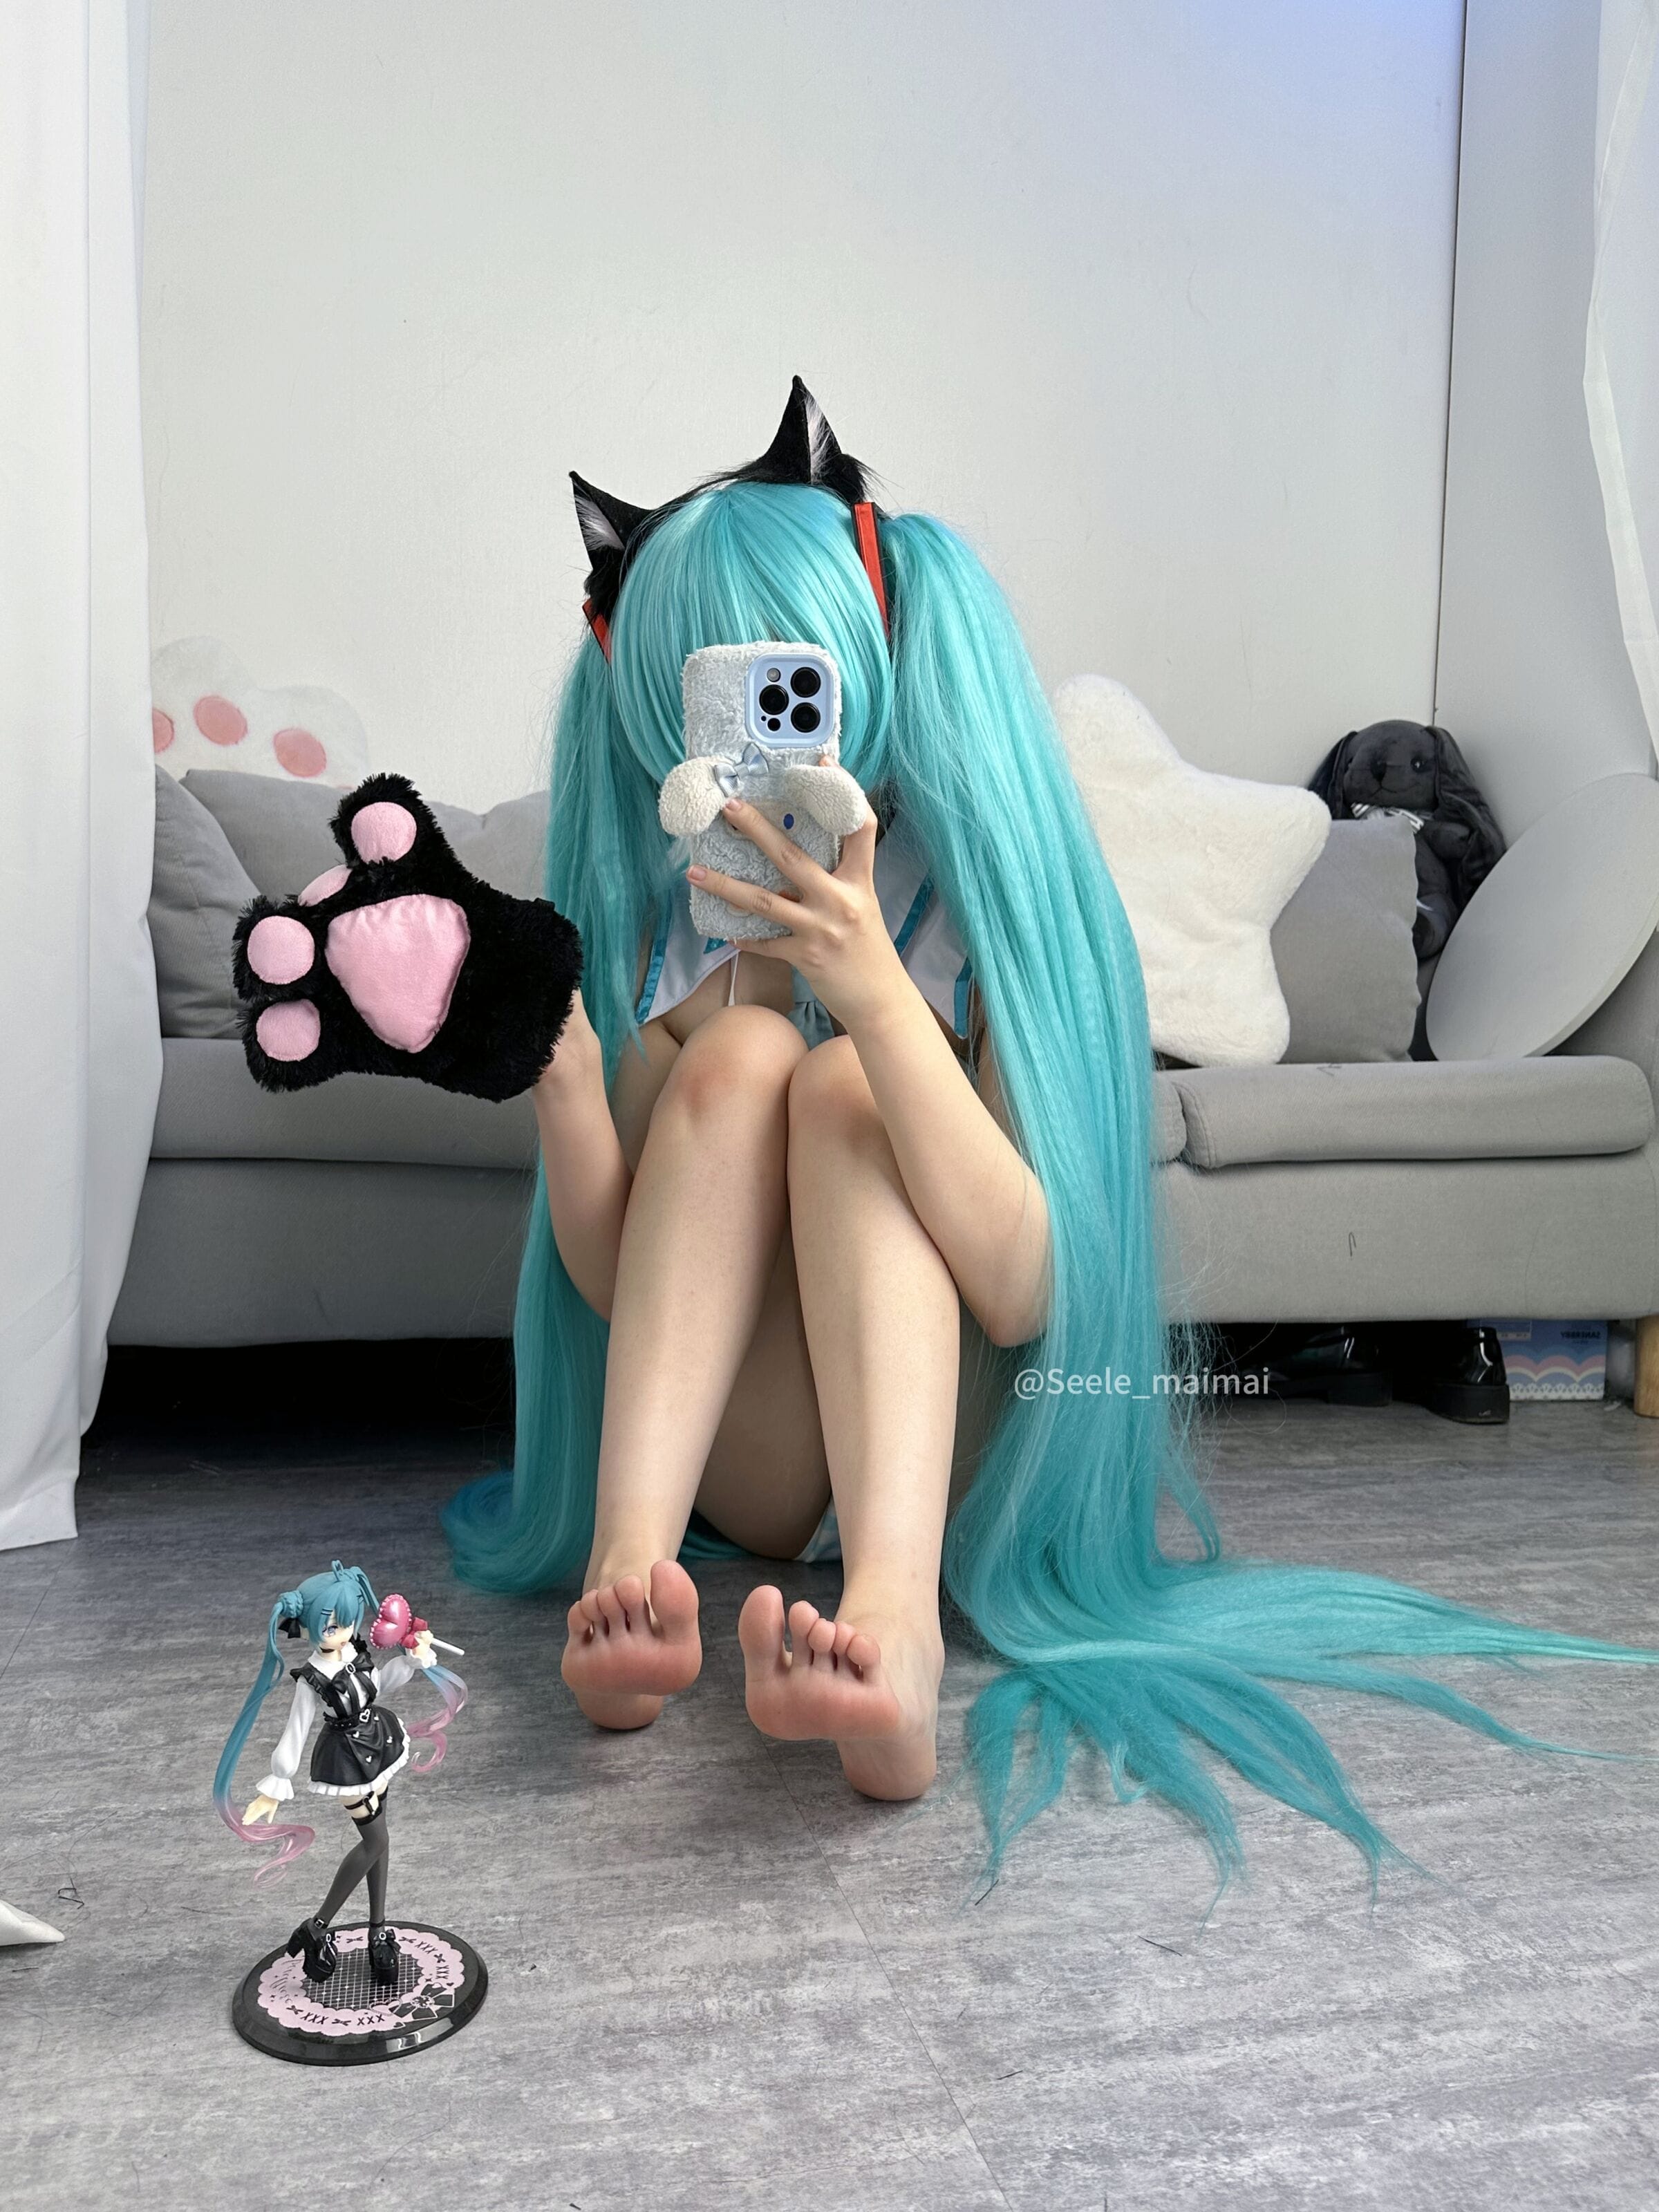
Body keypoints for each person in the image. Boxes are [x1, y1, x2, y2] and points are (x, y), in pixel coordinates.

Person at [447, 381, 1650, 1884]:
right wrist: (563, 1076)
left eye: (782, 685)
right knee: (745, 1057)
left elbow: (1023, 1292)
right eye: (712, 703)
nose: (752, 736)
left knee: (844, 1084)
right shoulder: (672, 948)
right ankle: (628, 1584)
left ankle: (892, 1636)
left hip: (938, 1459)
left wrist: (877, 1002)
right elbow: (629, 1282)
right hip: (744, 1465)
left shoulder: (974, 926)